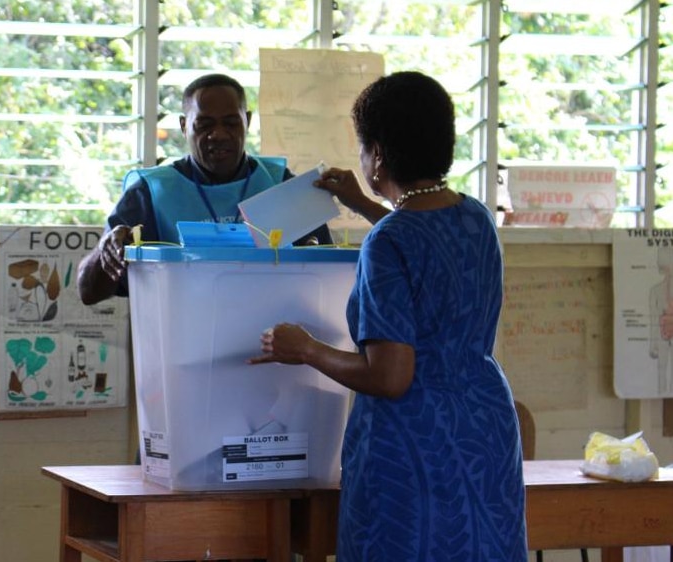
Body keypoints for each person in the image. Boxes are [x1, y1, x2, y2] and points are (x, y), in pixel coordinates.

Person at [248, 71, 528, 561]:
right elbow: (427, 250)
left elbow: (392, 376)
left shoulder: (388, 241)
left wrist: (306, 349)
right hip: (485, 430)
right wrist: (365, 203)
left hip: (413, 443)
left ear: (377, 154)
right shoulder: (476, 216)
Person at [77, 73, 332, 305]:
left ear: (248, 121)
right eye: (204, 124)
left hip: (270, 345)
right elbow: (88, 292)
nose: (218, 134)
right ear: (183, 125)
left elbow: (326, 278)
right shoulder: (151, 193)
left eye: (231, 123)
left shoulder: (281, 185)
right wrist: (106, 251)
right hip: (181, 344)